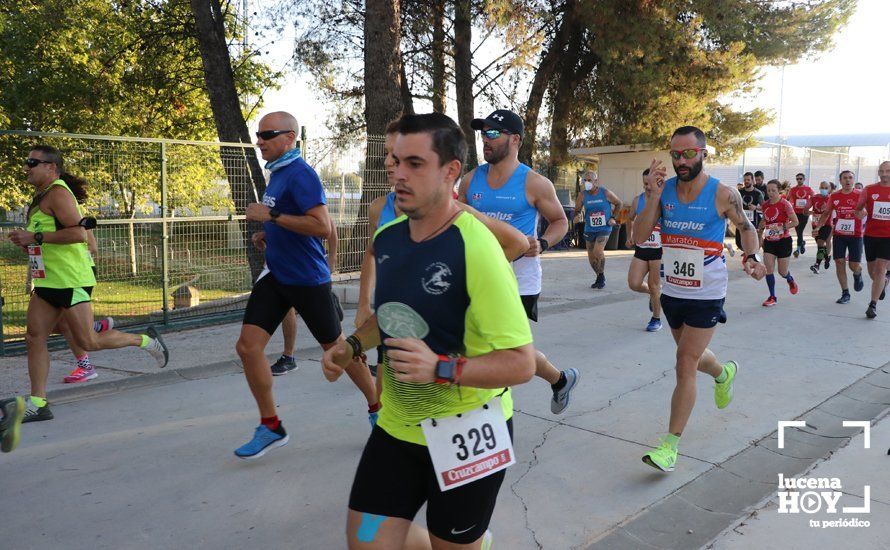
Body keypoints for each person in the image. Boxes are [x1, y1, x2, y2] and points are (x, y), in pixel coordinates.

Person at [323, 113, 535, 550]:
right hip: (397, 429)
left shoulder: (476, 248)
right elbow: (394, 315)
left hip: (468, 431)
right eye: (393, 163)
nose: (399, 174)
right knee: (365, 540)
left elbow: (521, 364)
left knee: (452, 546)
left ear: (450, 171)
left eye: (415, 163)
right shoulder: (388, 239)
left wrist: (440, 367)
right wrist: (351, 345)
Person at [234, 111, 378, 459]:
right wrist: (267, 233)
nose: (260, 141)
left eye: (267, 135)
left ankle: (377, 409)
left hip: (306, 280)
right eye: (259, 134)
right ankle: (271, 425)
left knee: (339, 351)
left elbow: (321, 225)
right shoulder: (279, 173)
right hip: (276, 275)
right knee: (248, 347)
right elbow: (287, 220)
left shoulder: (301, 174)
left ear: (289, 138)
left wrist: (270, 217)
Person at [632, 126, 766, 472]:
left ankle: (670, 445)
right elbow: (639, 235)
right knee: (690, 358)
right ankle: (723, 373)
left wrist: (751, 258)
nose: (681, 161)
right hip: (673, 288)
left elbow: (747, 229)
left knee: (683, 362)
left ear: (704, 153)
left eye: (688, 153)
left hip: (707, 290)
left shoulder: (722, 193)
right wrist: (652, 195)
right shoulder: (666, 191)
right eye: (675, 154)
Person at [7, 146, 169, 423]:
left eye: (33, 162)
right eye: (27, 161)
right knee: (34, 337)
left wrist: (35, 236)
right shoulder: (41, 196)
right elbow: (46, 236)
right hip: (47, 280)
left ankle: (145, 341)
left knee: (89, 342)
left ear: (51, 167)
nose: (27, 167)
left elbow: (78, 234)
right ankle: (38, 402)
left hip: (71, 279)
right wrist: (28, 243)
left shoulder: (58, 193)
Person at [460, 109, 580, 415]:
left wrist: (542, 243)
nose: (484, 140)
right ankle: (559, 379)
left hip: (519, 281)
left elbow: (559, 222)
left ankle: (489, 417)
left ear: (514, 140)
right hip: (474, 277)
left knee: (500, 351)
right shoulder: (471, 180)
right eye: (482, 133)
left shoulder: (535, 183)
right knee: (486, 347)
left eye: (492, 133)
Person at [268, 218, 340, 376]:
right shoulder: (273, 196)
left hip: (309, 271)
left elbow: (329, 225)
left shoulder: (303, 195)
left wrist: (332, 259)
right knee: (285, 307)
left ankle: (357, 366)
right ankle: (288, 357)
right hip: (283, 267)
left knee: (335, 338)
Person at [624, 168, 663, 332]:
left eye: (650, 183)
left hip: (657, 250)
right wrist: (629, 236)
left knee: (655, 286)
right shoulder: (637, 200)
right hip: (641, 248)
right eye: (645, 183)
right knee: (633, 283)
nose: (648, 187)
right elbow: (629, 218)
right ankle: (654, 296)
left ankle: (656, 318)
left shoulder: (661, 201)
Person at [818, 170, 864, 304]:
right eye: (845, 178)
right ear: (840, 181)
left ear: (853, 180)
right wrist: (818, 226)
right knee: (839, 262)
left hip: (855, 235)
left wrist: (863, 214)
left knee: (853, 265)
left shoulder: (860, 195)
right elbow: (826, 213)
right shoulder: (835, 196)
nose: (848, 180)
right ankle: (845, 293)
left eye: (850, 178)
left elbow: (867, 211)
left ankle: (858, 273)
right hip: (839, 235)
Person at [574, 169, 622, 289]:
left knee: (597, 251)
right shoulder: (582, 195)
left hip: (604, 227)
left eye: (589, 180)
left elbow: (619, 203)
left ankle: (600, 278)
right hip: (589, 228)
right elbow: (577, 209)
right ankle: (600, 275)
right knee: (591, 257)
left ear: (596, 181)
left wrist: (613, 217)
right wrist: (577, 216)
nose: (587, 182)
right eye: (585, 180)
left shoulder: (605, 192)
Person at [855, 161, 890, 318]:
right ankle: (883, 283)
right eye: (881, 171)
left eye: (888, 171)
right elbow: (858, 209)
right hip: (870, 235)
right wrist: (860, 213)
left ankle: (872, 305)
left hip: (888, 237)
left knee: (881, 268)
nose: (884, 174)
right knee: (872, 272)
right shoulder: (869, 190)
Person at [759, 180, 799, 307]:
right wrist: (760, 227)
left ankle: (790, 279)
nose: (770, 193)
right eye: (768, 190)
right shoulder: (765, 205)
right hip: (770, 241)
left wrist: (781, 227)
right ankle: (772, 296)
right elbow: (765, 219)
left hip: (784, 241)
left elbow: (795, 222)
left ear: (779, 191)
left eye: (773, 191)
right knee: (768, 270)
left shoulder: (785, 204)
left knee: (782, 272)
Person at [787, 172, 814, 257]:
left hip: (804, 213)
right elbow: (788, 199)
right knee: (798, 231)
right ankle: (801, 244)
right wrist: (791, 203)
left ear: (804, 179)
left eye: (800, 179)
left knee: (800, 231)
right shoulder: (793, 189)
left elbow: (814, 198)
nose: (799, 180)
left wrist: (809, 207)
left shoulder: (808, 189)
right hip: (795, 213)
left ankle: (798, 248)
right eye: (797, 179)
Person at [736, 172, 764, 251]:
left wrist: (756, 207)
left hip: (753, 222)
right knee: (739, 242)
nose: (746, 181)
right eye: (745, 180)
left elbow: (765, 207)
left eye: (748, 179)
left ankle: (750, 255)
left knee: (751, 242)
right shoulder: (739, 192)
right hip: (741, 220)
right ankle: (747, 252)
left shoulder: (758, 193)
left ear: (752, 180)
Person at [810, 181, 833, 274]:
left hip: (827, 225)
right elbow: (805, 210)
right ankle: (827, 258)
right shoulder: (814, 198)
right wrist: (810, 212)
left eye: (826, 188)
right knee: (820, 245)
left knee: (821, 243)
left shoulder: (831, 199)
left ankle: (817, 265)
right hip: (815, 225)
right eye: (822, 187)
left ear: (829, 189)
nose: (823, 189)